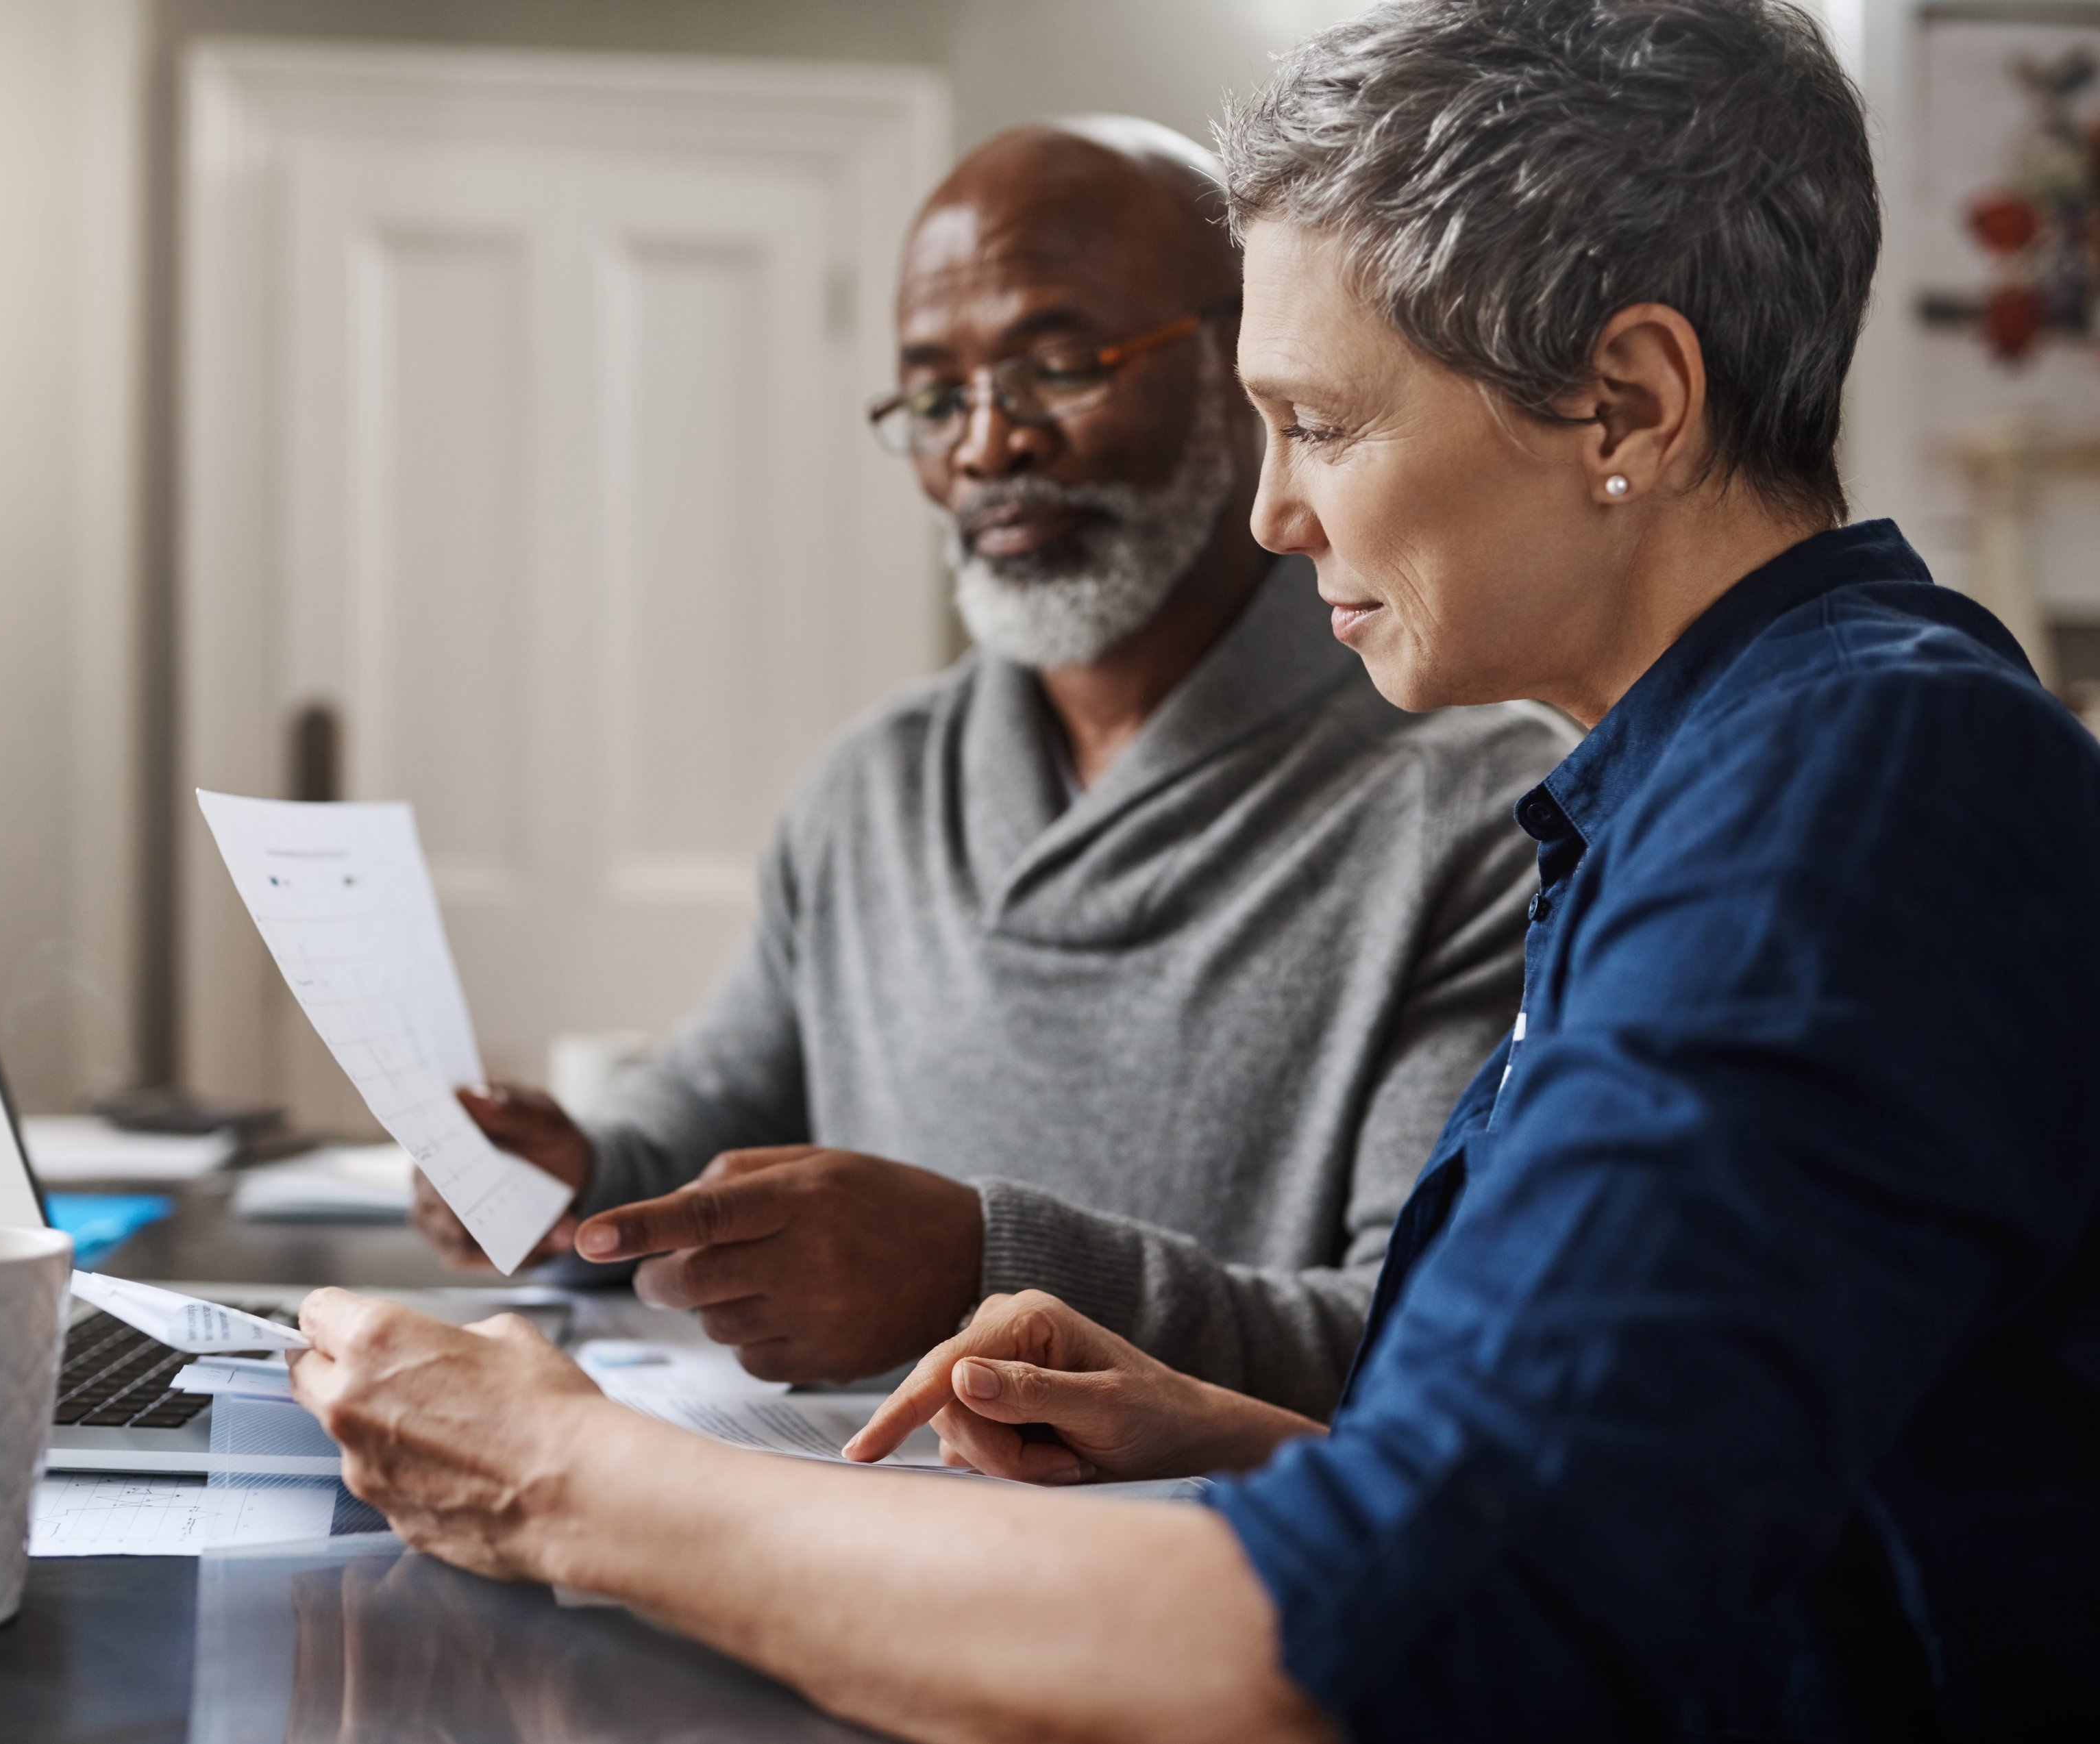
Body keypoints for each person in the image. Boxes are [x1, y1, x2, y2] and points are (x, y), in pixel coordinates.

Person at [288, 0, 2100, 1735]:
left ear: (1624, 404)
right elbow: (1636, 1527)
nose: (1274, 509)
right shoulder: (1710, 780)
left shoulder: (1849, 791)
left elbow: (1377, 1646)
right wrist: (1242, 1437)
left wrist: (568, 1475)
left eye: (1320, 422)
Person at [418, 117, 1573, 1410]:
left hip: (1197, 1585)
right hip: (841, 1539)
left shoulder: (1488, 812)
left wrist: (985, 1269)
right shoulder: (877, 787)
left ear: (1247, 364)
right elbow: (695, 1121)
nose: (983, 445)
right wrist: (574, 1184)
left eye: (1059, 362)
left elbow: (1428, 1338)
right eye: (933, 394)